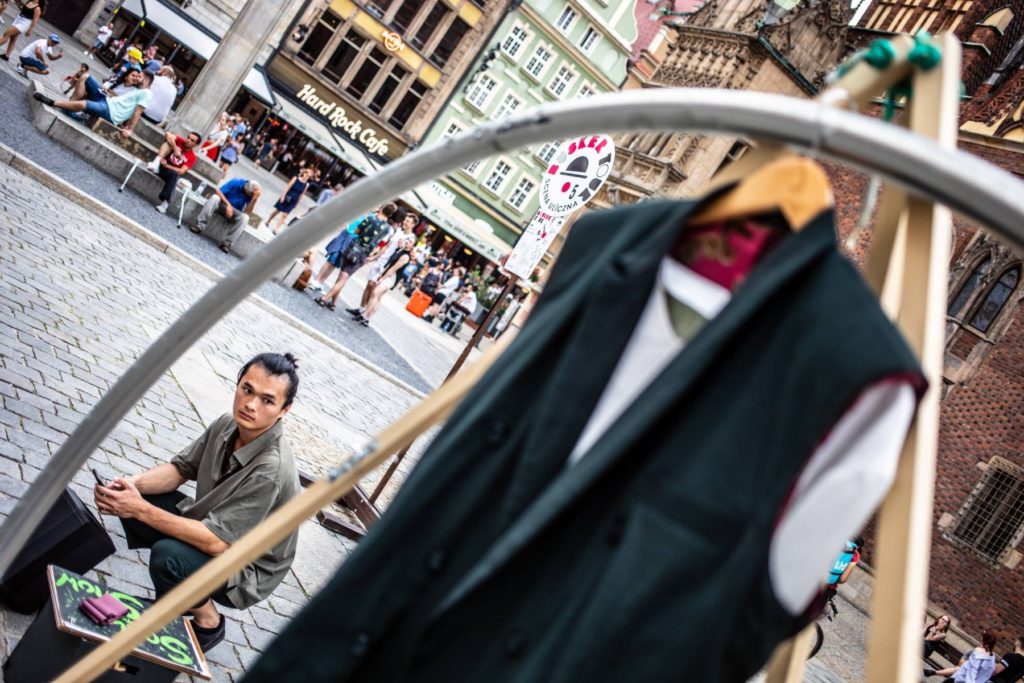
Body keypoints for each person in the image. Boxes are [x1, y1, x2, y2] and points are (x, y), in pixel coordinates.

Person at [93, 352, 301, 653]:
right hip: (214, 525)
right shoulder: (227, 424)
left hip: (246, 566)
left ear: (285, 410)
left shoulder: (271, 469)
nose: (251, 405)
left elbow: (218, 544)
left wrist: (139, 508)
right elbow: (180, 469)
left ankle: (207, 620)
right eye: (247, 389)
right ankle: (180, 592)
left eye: (267, 400)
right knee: (139, 499)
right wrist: (131, 485)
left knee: (168, 557)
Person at [315, 203, 394, 311]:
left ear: (382, 208)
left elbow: (357, 231)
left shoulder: (370, 219)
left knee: (342, 277)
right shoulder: (388, 228)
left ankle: (324, 299)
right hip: (364, 254)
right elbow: (380, 242)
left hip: (353, 248)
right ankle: (333, 303)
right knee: (343, 277)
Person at [33, 69, 152, 138]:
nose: (137, 78)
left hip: (109, 111)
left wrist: (130, 129)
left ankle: (51, 102)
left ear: (145, 80)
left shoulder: (146, 93)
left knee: (83, 104)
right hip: (106, 100)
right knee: (86, 76)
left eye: (139, 77)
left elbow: (138, 112)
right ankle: (70, 105)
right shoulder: (139, 91)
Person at [349, 210, 417, 318]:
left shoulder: (411, 238)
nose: (404, 222)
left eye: (408, 221)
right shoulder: (399, 231)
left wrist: (406, 247)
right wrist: (374, 257)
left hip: (388, 266)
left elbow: (408, 250)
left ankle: (366, 314)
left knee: (374, 289)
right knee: (369, 284)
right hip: (381, 261)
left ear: (413, 225)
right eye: (405, 220)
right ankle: (361, 309)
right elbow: (386, 246)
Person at [192, 178, 261, 253]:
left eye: (252, 195)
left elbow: (247, 211)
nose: (250, 196)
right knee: (215, 198)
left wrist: (254, 199)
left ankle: (227, 243)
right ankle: (199, 225)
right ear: (246, 189)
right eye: (250, 194)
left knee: (245, 218)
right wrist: (228, 205)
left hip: (234, 213)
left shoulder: (252, 195)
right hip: (222, 204)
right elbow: (218, 191)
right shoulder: (236, 182)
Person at [147, 131, 200, 214]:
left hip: (169, 170)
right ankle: (155, 163)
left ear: (196, 145)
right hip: (160, 163)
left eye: (192, 140)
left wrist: (167, 166)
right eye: (188, 137)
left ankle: (165, 204)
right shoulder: (181, 141)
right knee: (168, 142)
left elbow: (182, 171)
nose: (188, 140)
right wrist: (175, 149)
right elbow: (168, 134)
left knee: (175, 175)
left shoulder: (192, 157)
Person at [925, 631, 998, 682]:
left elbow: (971, 673)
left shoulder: (978, 652)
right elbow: (983, 677)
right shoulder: (992, 660)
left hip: (958, 680)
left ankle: (934, 672)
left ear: (986, 643)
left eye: (982, 640)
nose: (980, 641)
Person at [268, 168, 311, 235]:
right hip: (286, 197)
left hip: (293, 201)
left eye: (308, 176)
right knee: (277, 211)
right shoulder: (295, 178)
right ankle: (268, 221)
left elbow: (301, 195)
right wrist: (283, 196)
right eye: (306, 174)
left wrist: (297, 203)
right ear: (303, 173)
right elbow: (287, 187)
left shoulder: (306, 185)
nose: (307, 177)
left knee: (285, 215)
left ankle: (276, 229)